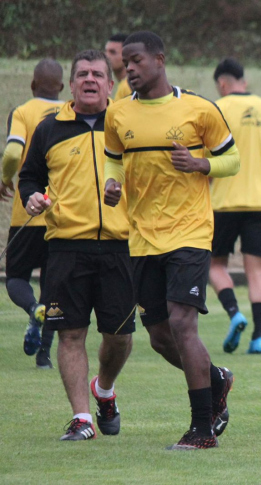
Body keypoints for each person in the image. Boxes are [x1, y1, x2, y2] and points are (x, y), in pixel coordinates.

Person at [103, 31, 240, 450]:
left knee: (183, 323)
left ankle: (202, 429)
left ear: (160, 60)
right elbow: (113, 161)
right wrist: (112, 185)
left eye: (137, 61)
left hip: (190, 231)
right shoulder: (118, 114)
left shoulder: (199, 108)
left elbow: (232, 159)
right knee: (161, 336)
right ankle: (216, 379)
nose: (130, 68)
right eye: (126, 62)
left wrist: (200, 163)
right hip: (142, 238)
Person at [18, 50, 135, 441]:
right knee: (70, 334)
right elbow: (29, 178)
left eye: (97, 74)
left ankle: (103, 389)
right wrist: (33, 196)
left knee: (119, 338)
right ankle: (82, 419)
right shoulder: (50, 128)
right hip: (66, 247)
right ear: (70, 84)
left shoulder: (127, 124)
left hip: (120, 246)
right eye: (82, 74)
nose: (89, 80)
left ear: (108, 83)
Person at [209, 58, 261, 355]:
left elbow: (205, 159)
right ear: (244, 80)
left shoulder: (217, 108)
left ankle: (234, 313)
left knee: (214, 265)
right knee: (256, 273)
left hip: (223, 202)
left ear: (222, 84)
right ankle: (259, 337)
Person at [1, 58, 64, 369]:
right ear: (64, 88)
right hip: (62, 215)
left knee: (15, 277)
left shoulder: (23, 112)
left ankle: (32, 309)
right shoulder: (72, 113)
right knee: (53, 286)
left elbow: (13, 152)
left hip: (26, 211)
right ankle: (44, 357)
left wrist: (4, 179)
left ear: (32, 85)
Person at [105, 33, 132, 100]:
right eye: (106, 51)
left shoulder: (128, 87)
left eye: (112, 52)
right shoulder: (123, 84)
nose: (106, 56)